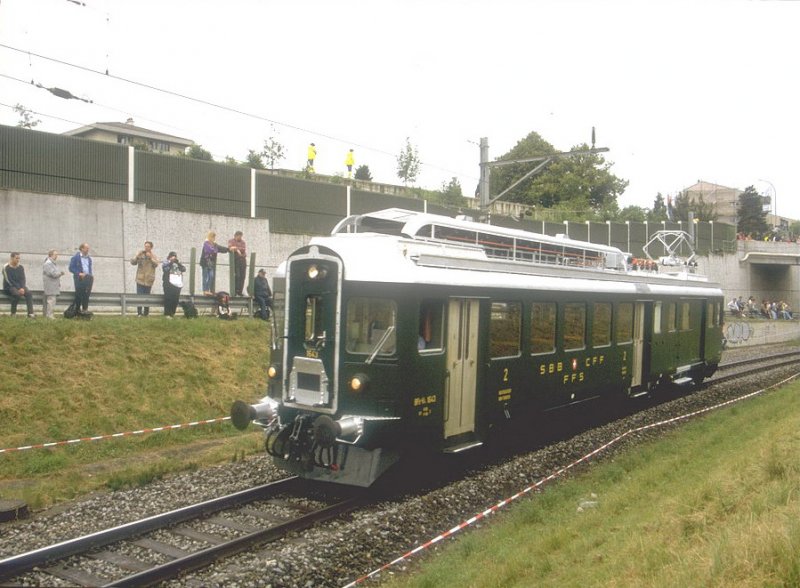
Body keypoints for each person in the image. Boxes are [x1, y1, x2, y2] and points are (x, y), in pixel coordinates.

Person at [130, 241, 160, 316]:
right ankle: (139, 313)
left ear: (151, 247)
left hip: (149, 280)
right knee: (139, 296)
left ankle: (146, 313)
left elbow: (156, 264)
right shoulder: (141, 254)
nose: (146, 248)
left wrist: (150, 258)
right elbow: (133, 262)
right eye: (145, 246)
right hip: (140, 279)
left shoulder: (154, 256)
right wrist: (136, 256)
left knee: (147, 297)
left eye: (148, 246)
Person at [3, 252, 35, 318]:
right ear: (12, 258)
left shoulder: (20, 267)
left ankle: (30, 313)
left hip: (20, 286)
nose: (18, 260)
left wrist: (22, 288)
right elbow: (9, 280)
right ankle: (13, 313)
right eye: (16, 258)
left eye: (19, 258)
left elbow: (23, 279)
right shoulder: (6, 267)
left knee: (29, 293)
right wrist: (18, 288)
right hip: (9, 286)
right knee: (17, 294)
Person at [199, 231, 229, 295]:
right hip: (205, 262)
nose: (214, 238)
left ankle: (208, 289)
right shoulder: (206, 243)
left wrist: (228, 249)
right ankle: (205, 290)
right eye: (213, 237)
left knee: (211, 276)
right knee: (205, 277)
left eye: (214, 237)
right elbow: (210, 250)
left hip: (211, 263)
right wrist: (216, 250)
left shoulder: (215, 244)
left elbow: (221, 248)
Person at [69, 243, 93, 315]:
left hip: (88, 277)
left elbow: (89, 268)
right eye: (86, 248)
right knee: (79, 294)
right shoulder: (75, 257)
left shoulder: (89, 258)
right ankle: (77, 310)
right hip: (79, 278)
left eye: (88, 248)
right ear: (82, 248)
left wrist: (91, 275)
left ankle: (85, 310)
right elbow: (71, 268)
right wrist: (79, 273)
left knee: (87, 294)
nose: (88, 249)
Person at [162, 251, 186, 319]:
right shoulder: (166, 262)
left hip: (177, 284)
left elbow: (184, 269)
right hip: (168, 283)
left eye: (175, 256)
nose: (174, 258)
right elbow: (165, 270)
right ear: (169, 257)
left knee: (175, 299)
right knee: (168, 298)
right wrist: (171, 262)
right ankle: (167, 314)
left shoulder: (178, 263)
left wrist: (178, 263)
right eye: (172, 256)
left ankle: (172, 313)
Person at [42, 249, 65, 319]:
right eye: (55, 255)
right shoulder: (48, 263)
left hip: (53, 284)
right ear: (51, 255)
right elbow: (53, 274)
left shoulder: (52, 263)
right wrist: (60, 273)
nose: (57, 256)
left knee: (51, 300)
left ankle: (47, 315)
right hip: (50, 284)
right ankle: (49, 315)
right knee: (51, 300)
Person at [227, 231, 247, 296]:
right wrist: (237, 249)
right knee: (237, 276)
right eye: (239, 236)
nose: (240, 238)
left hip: (242, 260)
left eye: (241, 236)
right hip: (236, 260)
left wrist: (236, 248)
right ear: (235, 236)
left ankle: (240, 291)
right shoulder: (231, 241)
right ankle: (236, 290)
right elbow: (230, 248)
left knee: (242, 276)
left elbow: (243, 249)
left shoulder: (243, 242)